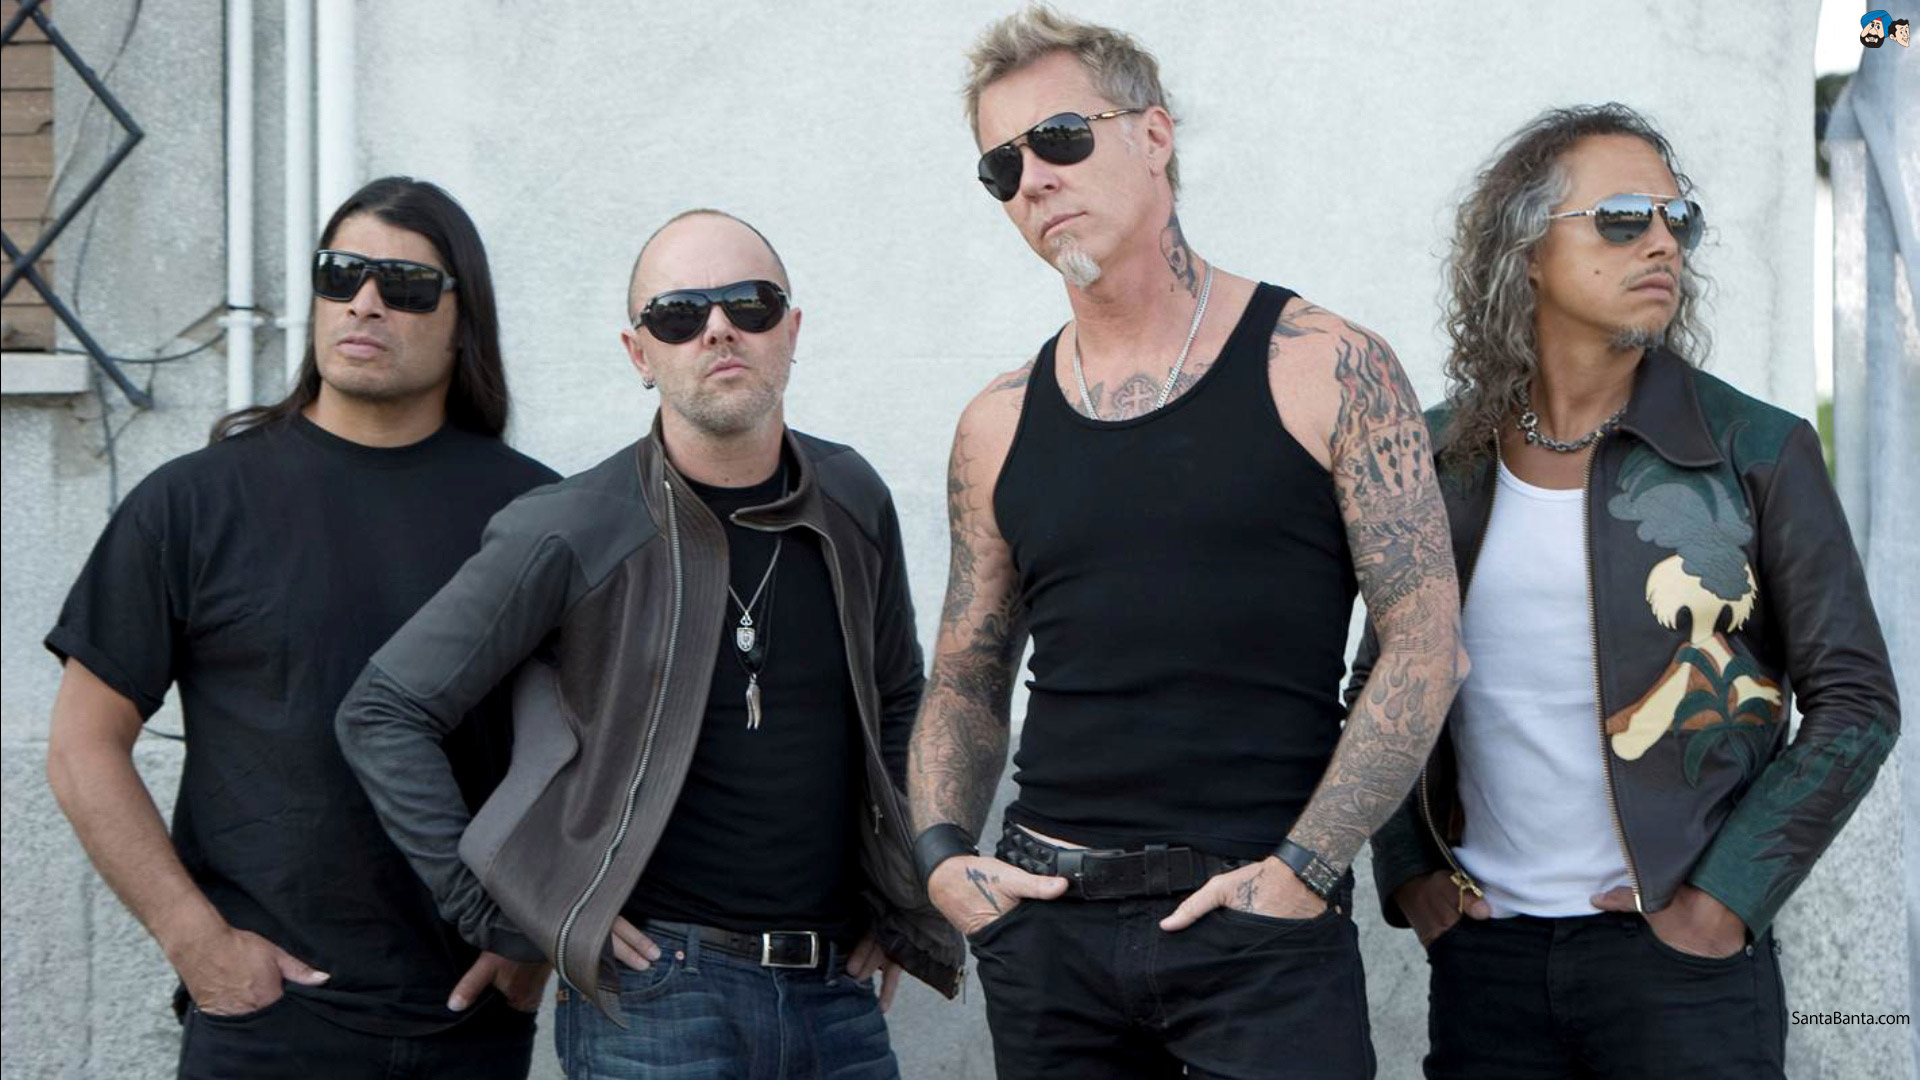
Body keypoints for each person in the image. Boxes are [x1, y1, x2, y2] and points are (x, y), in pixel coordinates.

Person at [905, 8, 1465, 1078]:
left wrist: (1304, 869)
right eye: (1001, 165)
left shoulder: (1326, 365)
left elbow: (1426, 642)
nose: (1035, 179)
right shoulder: (997, 422)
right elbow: (967, 675)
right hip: (1048, 930)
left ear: (1154, 135)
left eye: (1060, 138)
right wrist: (940, 859)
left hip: (1258, 925)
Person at [335, 209, 963, 1079]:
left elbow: (897, 700)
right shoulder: (571, 526)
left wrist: (901, 896)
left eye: (750, 304)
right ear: (640, 354)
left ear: (791, 331)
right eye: (678, 315)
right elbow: (384, 710)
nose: (719, 329)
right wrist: (513, 911)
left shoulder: (851, 495)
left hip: (836, 996)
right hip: (656, 1000)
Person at [1365, 103, 1901, 1080]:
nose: (1662, 242)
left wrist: (1725, 901)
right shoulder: (1437, 461)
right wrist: (1411, 877)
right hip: (1486, 962)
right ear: (1527, 251)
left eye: (1677, 218)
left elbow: (1857, 702)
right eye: (1620, 218)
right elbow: (1381, 689)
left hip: (1682, 971)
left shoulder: (1754, 450)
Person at [44, 176, 558, 1079]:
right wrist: (195, 941)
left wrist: (537, 941)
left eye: (405, 284)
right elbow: (84, 746)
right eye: (341, 273)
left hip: (470, 1022)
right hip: (265, 1022)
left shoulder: (535, 516)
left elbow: (601, 751)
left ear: (463, 319)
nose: (365, 302)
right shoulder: (195, 503)